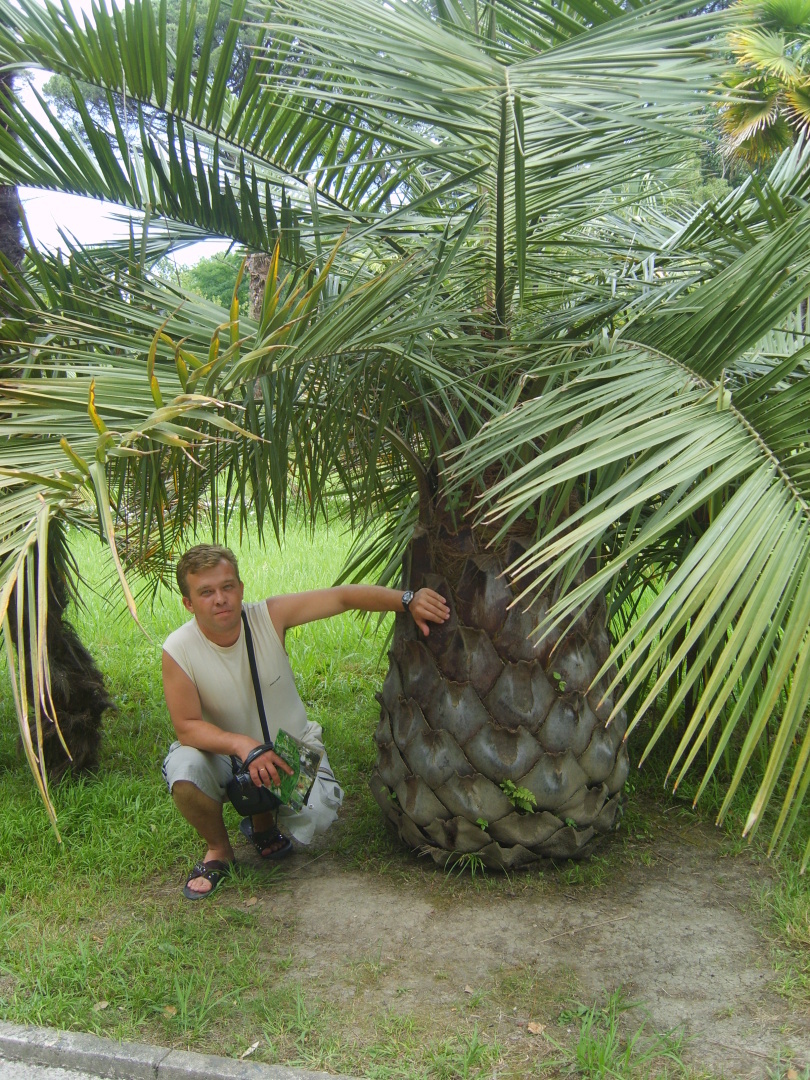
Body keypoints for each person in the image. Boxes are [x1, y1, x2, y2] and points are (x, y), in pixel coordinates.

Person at [161, 543, 450, 899]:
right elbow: (187, 726)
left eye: (228, 586)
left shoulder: (269, 616)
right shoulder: (178, 648)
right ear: (188, 603)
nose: (220, 599)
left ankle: (263, 820)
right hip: (224, 754)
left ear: (240, 587)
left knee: (319, 813)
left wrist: (408, 599)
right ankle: (219, 849)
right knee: (185, 768)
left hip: (287, 750)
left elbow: (343, 598)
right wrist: (243, 746)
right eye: (206, 592)